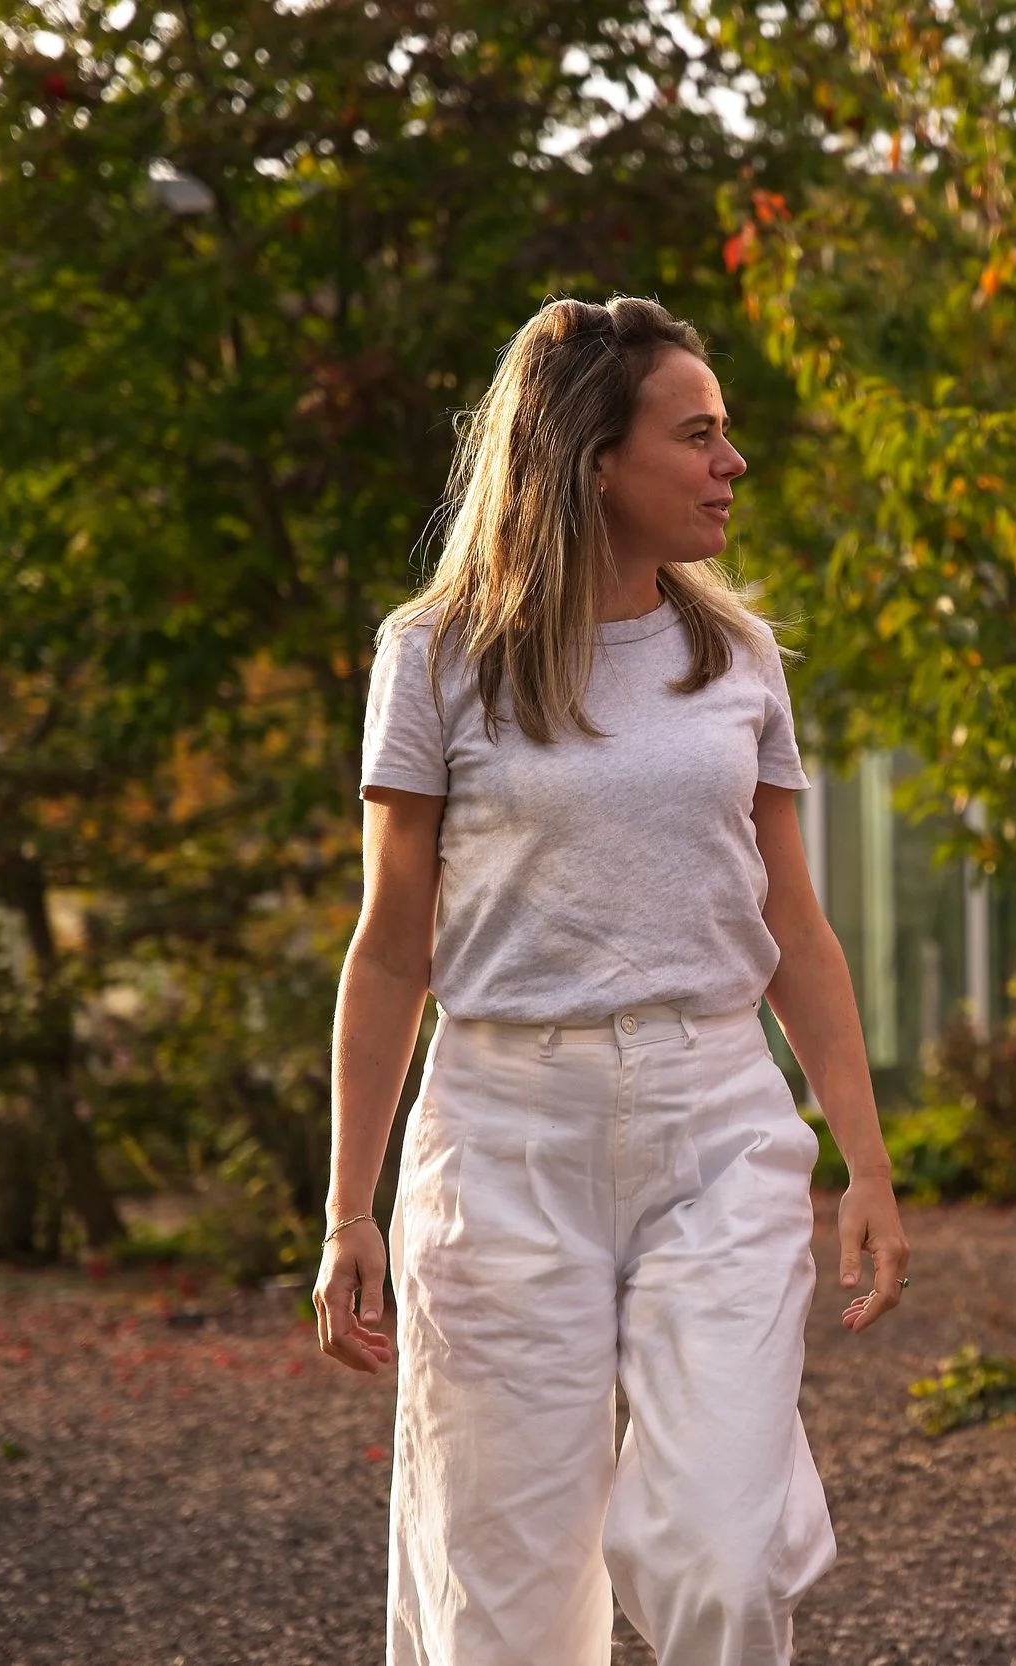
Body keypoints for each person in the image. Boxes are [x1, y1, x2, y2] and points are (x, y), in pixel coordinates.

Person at [311, 294, 910, 1666]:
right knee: (507, 1604)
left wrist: (866, 1164)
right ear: (593, 461)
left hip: (715, 1124)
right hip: (502, 1138)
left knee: (721, 1559)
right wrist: (350, 1208)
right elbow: (392, 943)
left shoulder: (735, 657)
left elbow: (795, 923)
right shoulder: (437, 657)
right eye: (696, 435)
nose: (731, 461)